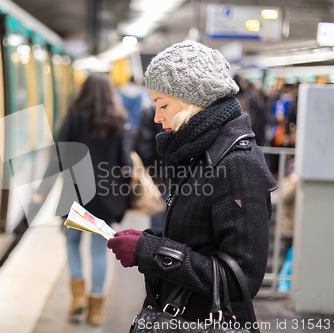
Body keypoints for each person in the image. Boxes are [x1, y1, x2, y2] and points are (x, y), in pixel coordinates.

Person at [107, 41, 277, 330]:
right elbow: (202, 238)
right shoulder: (201, 151)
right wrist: (150, 240)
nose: (157, 117)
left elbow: (241, 277)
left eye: (163, 104)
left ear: (192, 101)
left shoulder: (236, 164)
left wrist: (149, 252)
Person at [58, 72, 131, 326]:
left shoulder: (75, 115)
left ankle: (77, 297)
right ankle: (96, 309)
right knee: (99, 251)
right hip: (109, 195)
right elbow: (125, 161)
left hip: (77, 193)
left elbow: (62, 152)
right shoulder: (119, 120)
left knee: (72, 242)